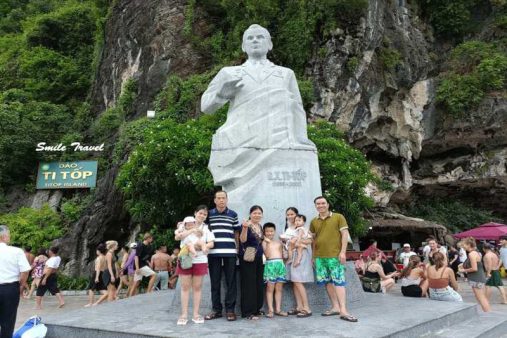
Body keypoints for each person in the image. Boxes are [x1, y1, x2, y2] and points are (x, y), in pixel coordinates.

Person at [310, 196, 357, 322]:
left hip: (335, 256)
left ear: (328, 204)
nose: (320, 205)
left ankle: (343, 310)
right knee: (327, 282)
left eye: (323, 203)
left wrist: (342, 252)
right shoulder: (314, 221)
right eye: (318, 204)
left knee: (339, 282)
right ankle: (335, 307)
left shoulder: (338, 217)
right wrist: (313, 256)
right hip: (320, 257)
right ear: (315, 206)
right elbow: (313, 240)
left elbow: (344, 235)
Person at [174, 205, 215, 325]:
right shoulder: (184, 224)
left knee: (197, 287)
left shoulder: (206, 228)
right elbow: (177, 237)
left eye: (205, 214)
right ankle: (184, 314)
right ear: (195, 213)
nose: (202, 215)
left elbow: (211, 243)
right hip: (186, 258)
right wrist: (191, 231)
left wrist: (203, 247)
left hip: (200, 259)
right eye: (200, 213)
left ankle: (196, 314)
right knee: (185, 287)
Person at [205, 191, 240, 322]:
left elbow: (236, 232)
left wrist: (237, 248)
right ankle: (216, 310)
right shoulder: (209, 214)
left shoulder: (233, 214)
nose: (221, 200)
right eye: (218, 198)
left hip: (230, 252)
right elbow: (203, 230)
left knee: (231, 282)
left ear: (227, 199)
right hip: (213, 253)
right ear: (215, 200)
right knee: (215, 282)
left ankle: (230, 311)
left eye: (223, 198)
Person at [0, 225, 31, 338]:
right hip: (10, 289)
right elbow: (25, 271)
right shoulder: (16, 251)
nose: (9, 237)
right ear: (4, 236)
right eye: (8, 235)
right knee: (8, 321)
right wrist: (21, 286)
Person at [239, 205, 265, 320]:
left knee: (258, 283)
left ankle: (256, 309)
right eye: (255, 213)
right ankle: (248, 312)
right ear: (250, 214)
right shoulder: (246, 225)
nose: (257, 215)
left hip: (259, 257)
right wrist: (244, 228)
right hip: (248, 257)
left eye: (259, 213)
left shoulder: (260, 226)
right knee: (248, 284)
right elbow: (243, 240)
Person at [288, 214, 314, 318]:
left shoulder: (301, 230)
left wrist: (296, 242)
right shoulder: (295, 230)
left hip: (301, 254)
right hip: (296, 253)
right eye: (296, 220)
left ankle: (306, 308)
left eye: (299, 220)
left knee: (298, 281)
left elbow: (306, 241)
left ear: (303, 221)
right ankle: (299, 307)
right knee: (295, 281)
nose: (297, 222)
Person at [262, 222, 288, 318]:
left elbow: (284, 256)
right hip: (270, 266)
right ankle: (270, 310)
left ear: (274, 231)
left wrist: (285, 245)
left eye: (271, 231)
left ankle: (278, 309)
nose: (269, 233)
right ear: (264, 232)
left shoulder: (278, 243)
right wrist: (268, 243)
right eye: (267, 231)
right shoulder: (264, 243)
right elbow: (267, 255)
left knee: (279, 289)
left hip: (280, 265)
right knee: (270, 289)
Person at [458, 237, 490, 312]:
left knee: (481, 298)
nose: (463, 247)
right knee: (482, 298)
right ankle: (488, 312)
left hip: (476, 279)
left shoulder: (471, 254)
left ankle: (488, 314)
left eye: (464, 245)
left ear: (469, 245)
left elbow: (474, 268)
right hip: (479, 278)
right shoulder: (475, 252)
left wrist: (463, 270)